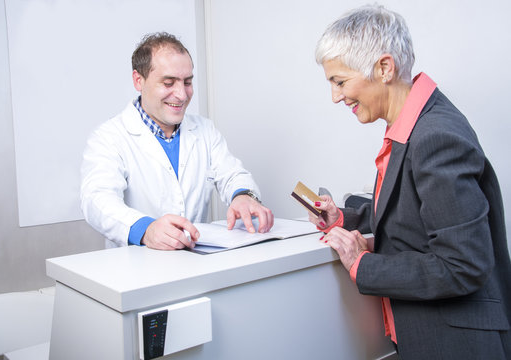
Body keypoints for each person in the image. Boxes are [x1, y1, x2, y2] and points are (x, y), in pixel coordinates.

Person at [310, 4, 511, 359]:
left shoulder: (436, 137)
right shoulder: (414, 125)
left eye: (340, 81)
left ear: (384, 68)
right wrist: (344, 219)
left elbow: (462, 265)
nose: (336, 96)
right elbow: (412, 210)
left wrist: (363, 263)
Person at [81, 32, 273, 250]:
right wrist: (146, 229)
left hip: (195, 263)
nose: (182, 95)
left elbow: (233, 175)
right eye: (169, 82)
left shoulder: (204, 131)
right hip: (135, 270)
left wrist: (243, 196)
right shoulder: (109, 137)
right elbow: (97, 200)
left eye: (188, 82)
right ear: (138, 80)